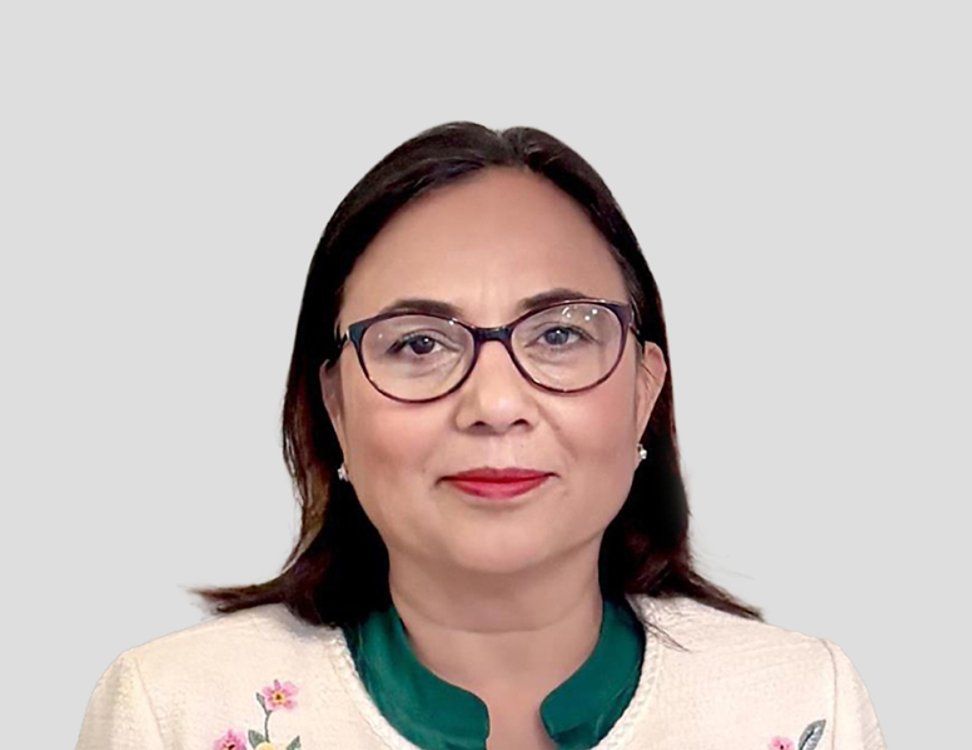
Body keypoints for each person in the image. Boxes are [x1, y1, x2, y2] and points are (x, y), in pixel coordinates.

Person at [75, 121, 887, 750]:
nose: (495, 404)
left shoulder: (797, 701)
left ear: (644, 392)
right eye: (419, 344)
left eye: (561, 335)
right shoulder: (175, 709)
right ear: (334, 406)